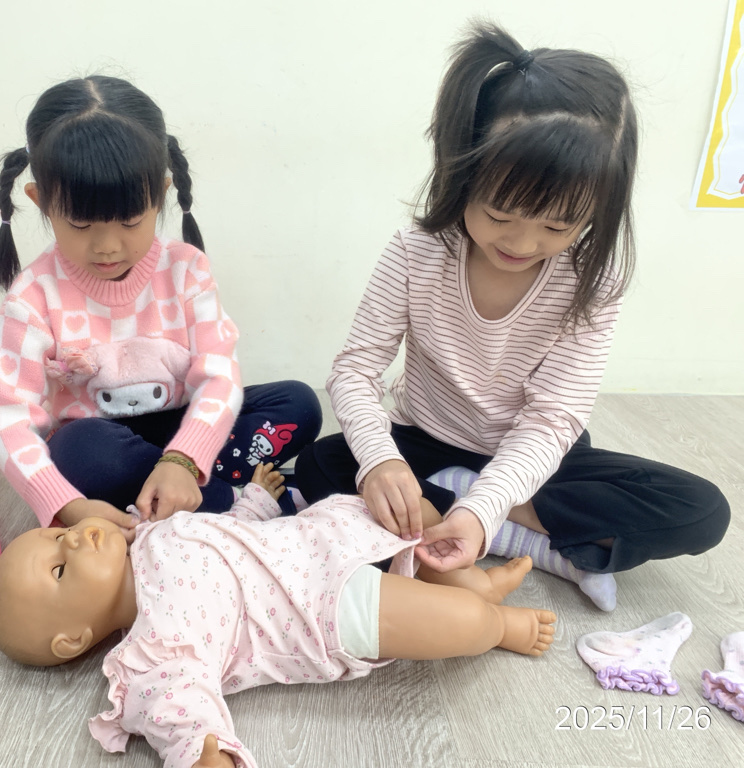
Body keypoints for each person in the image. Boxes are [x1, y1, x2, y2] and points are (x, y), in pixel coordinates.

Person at [293, 23, 730, 600]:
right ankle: (527, 537)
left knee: (702, 510)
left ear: (598, 210)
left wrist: (484, 503)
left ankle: (467, 513)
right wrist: (379, 462)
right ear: (462, 175)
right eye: (500, 214)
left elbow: (552, 419)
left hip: (531, 453)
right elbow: (355, 370)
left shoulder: (593, 280)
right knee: (318, 467)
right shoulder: (416, 251)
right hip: (425, 436)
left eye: (558, 225)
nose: (522, 243)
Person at [0, 463, 556, 768]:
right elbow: (180, 708)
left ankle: (473, 579)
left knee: (417, 512)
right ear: (73, 639)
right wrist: (203, 754)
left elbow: (228, 534)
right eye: (60, 568)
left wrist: (255, 500)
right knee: (462, 623)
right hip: (322, 611)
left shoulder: (149, 533)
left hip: (317, 538)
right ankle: (497, 623)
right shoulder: (153, 650)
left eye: (55, 535)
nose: (73, 538)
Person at [0, 76, 321, 536]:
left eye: (129, 221)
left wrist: (183, 459)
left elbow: (218, 376)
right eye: (80, 224)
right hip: (103, 441)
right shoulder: (33, 296)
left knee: (299, 402)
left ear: (160, 195)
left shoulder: (186, 268)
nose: (107, 246)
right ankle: (231, 497)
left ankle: (189, 492)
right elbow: (8, 421)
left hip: (183, 428)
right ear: (40, 201)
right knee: (78, 452)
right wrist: (67, 506)